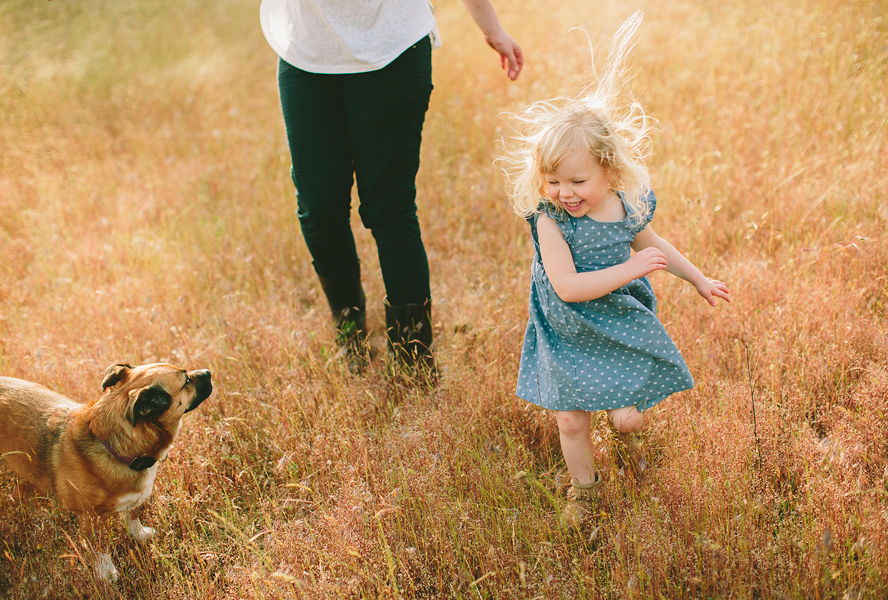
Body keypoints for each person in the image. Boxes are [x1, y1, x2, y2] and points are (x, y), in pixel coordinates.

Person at [497, 12, 730, 527]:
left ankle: (631, 434)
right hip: (568, 326)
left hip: (618, 322)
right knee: (571, 420)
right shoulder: (550, 219)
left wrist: (697, 278)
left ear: (609, 169)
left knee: (626, 419)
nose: (565, 193)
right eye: (554, 181)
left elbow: (656, 246)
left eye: (577, 180)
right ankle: (584, 491)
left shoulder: (626, 207)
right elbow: (568, 286)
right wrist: (633, 269)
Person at [260, 0, 523, 376]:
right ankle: (350, 334)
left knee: (389, 208)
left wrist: (492, 28)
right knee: (318, 209)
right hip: (306, 55)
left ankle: (413, 358)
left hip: (392, 49)